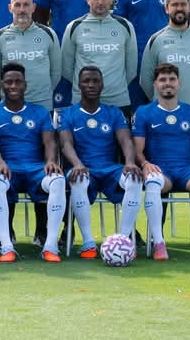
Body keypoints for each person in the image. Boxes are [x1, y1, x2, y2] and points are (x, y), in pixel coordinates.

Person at [134, 63, 190, 262]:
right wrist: (145, 164)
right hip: (161, 171)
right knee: (152, 182)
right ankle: (159, 243)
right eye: (163, 80)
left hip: (187, 172)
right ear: (155, 84)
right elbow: (137, 150)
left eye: (172, 79)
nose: (167, 83)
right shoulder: (144, 112)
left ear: (179, 83)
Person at [0, 63, 65, 263]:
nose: (13, 86)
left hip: (35, 168)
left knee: (58, 180)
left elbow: (49, 142)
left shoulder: (39, 112)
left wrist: (51, 161)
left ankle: (50, 246)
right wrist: (0, 162)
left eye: (18, 82)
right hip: (6, 167)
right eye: (9, 82)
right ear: (2, 85)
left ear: (25, 85)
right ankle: (6, 247)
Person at [58, 66, 143, 258]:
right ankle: (88, 243)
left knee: (134, 178)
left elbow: (126, 140)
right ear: (79, 85)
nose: (91, 85)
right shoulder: (68, 114)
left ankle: (124, 241)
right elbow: (65, 144)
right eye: (86, 81)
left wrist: (130, 162)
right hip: (83, 168)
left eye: (95, 81)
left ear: (102, 85)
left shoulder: (113, 113)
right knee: (77, 178)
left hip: (109, 169)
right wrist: (77, 163)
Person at [61, 0, 137, 117]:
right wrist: (88, 88)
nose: (100, 2)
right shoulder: (74, 27)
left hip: (117, 101)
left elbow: (131, 69)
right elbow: (66, 69)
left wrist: (113, 87)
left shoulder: (125, 26)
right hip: (83, 101)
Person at [35, 0, 95, 107]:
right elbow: (40, 20)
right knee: (60, 102)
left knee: (87, 97)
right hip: (59, 51)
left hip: (88, 51)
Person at [114, 0, 176, 106]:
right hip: (136, 59)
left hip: (165, 55)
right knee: (136, 107)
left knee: (164, 105)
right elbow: (119, 28)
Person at [0, 0, 60, 112]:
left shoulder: (48, 34)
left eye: (26, 5)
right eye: (17, 5)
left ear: (33, 7)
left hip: (42, 106)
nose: (22, 10)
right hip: (11, 106)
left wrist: (42, 95)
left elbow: (56, 73)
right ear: (10, 8)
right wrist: (9, 96)